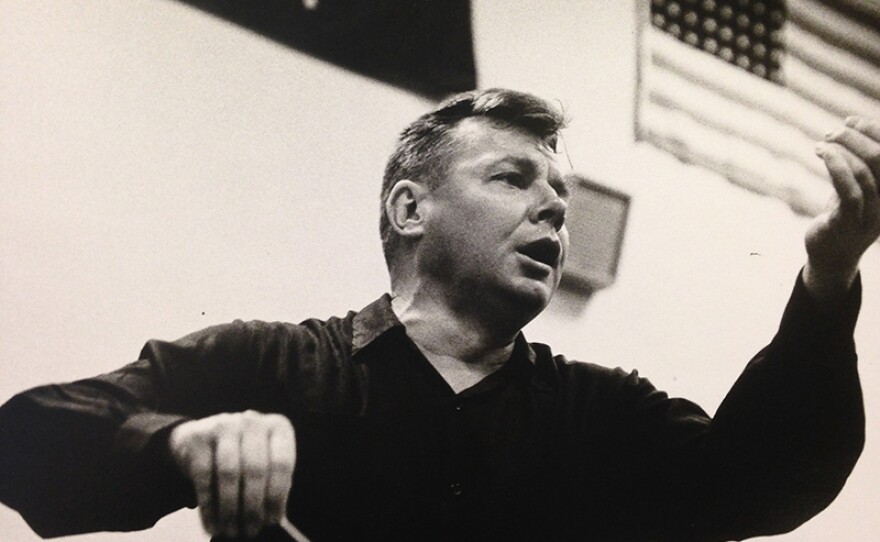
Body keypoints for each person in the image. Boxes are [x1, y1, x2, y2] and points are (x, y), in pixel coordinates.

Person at [0, 88, 876, 542]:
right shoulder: (263, 364)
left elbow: (768, 478)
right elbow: (26, 440)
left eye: (562, 197)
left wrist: (830, 270)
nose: (554, 212)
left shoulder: (607, 414)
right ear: (411, 211)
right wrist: (176, 445)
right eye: (513, 179)